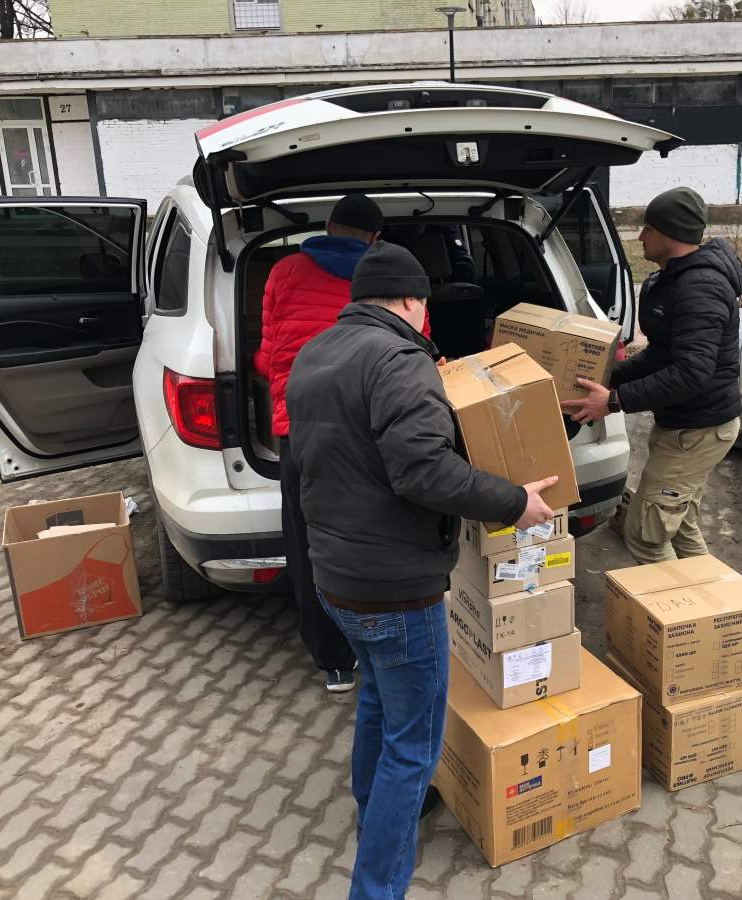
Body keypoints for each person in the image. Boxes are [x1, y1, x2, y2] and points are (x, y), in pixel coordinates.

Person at [286, 241, 558, 900]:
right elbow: (423, 472)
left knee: (378, 698)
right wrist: (514, 502)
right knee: (413, 748)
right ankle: (376, 888)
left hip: (335, 577)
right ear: (413, 301)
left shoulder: (317, 353)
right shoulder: (399, 362)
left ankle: (371, 807)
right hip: (396, 591)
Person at [562, 187, 742, 565]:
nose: (641, 237)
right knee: (680, 526)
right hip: (686, 425)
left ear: (669, 233)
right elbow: (662, 354)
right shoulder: (673, 280)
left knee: (646, 535)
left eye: (648, 228)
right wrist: (610, 377)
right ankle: (707, 600)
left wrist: (614, 401)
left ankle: (675, 606)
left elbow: (691, 373)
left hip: (698, 431)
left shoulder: (700, 287)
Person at [254, 193, 384, 693]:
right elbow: (415, 347)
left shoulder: (284, 272)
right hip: (369, 429)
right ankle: (382, 643)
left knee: (308, 541)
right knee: (374, 536)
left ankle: (334, 662)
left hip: (300, 431)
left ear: (328, 227)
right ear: (375, 238)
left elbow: (267, 355)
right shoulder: (389, 280)